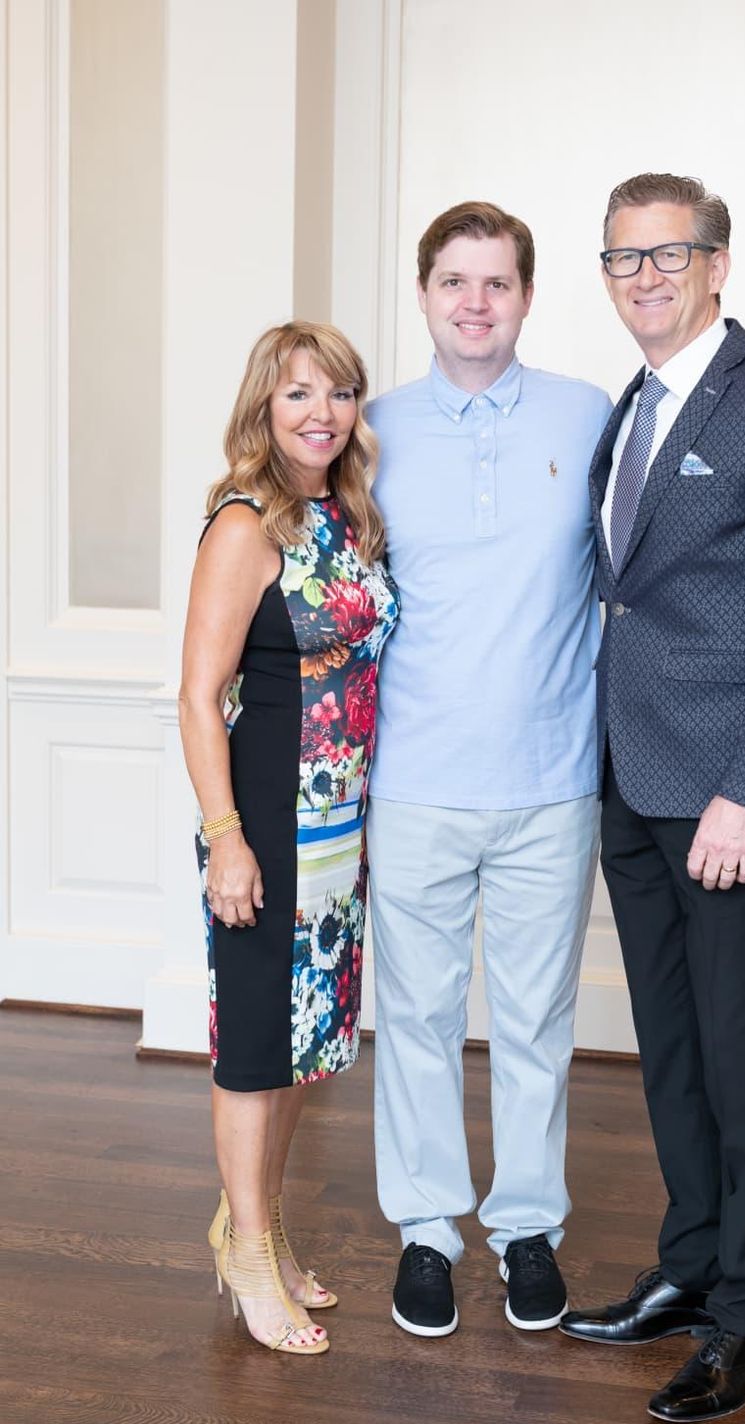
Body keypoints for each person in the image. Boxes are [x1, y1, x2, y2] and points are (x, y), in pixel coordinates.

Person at [559, 174, 745, 1424]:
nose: (644, 277)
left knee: (739, 1055)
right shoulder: (630, 403)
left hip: (723, 794)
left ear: (716, 265)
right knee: (670, 1048)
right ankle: (688, 1268)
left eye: (667, 255)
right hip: (628, 777)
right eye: (622, 258)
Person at [364, 202, 612, 1337]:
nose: (475, 303)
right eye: (454, 282)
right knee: (414, 1018)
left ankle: (525, 1232)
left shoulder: (587, 414)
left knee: (534, 1023)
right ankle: (426, 1231)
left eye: (496, 282)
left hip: (550, 781)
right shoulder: (370, 430)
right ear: (423, 294)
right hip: (412, 779)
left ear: (526, 296)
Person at [178, 321, 398, 1355]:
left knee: (308, 1046)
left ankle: (257, 1227)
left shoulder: (344, 516)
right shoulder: (244, 524)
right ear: (263, 407)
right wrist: (226, 839)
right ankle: (249, 1258)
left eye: (339, 393)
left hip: (339, 824)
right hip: (266, 817)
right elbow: (197, 696)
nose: (322, 413)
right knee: (257, 1047)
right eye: (299, 394)